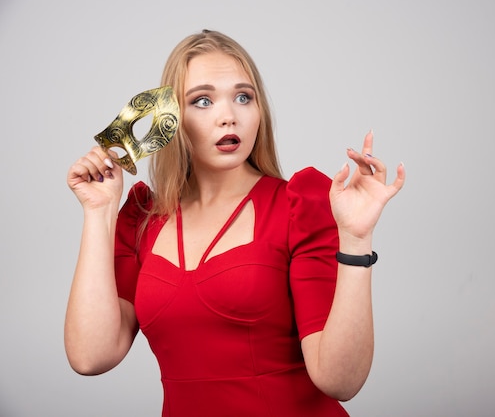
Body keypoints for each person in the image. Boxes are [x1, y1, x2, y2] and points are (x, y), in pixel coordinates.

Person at [65, 29, 405, 416]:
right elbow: (90, 357)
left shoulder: (299, 207)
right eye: (203, 101)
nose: (229, 117)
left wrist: (356, 239)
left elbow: (340, 381)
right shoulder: (141, 219)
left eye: (243, 97)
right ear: (170, 118)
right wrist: (98, 212)